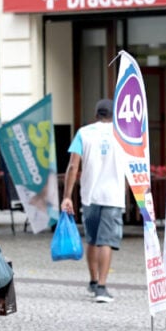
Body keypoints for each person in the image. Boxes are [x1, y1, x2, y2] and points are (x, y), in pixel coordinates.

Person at [61, 99, 123, 303]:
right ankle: (102, 288)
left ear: (96, 115)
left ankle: (93, 280)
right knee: (106, 241)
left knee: (92, 239)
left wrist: (67, 196)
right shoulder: (123, 134)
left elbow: (73, 166)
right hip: (113, 196)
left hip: (89, 196)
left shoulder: (83, 133)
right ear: (114, 115)